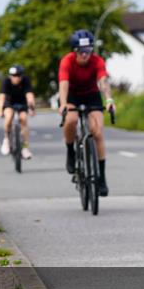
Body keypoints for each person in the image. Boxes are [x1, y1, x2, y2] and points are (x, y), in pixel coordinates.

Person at [58, 30, 116, 196]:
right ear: (74, 51)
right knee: (71, 120)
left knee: (97, 132)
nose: (85, 55)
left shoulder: (97, 61)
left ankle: (102, 178)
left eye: (88, 51)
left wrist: (109, 100)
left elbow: (103, 81)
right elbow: (63, 84)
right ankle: (70, 150)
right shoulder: (67, 61)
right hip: (72, 95)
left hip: (92, 95)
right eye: (81, 52)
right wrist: (63, 104)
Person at [0, 65, 36, 159]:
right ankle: (7, 139)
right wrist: (0, 110)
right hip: (9, 103)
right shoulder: (6, 81)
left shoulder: (25, 80)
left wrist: (32, 108)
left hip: (22, 102)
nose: (17, 78)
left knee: (23, 119)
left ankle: (25, 147)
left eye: (19, 75)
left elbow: (29, 95)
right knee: (9, 117)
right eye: (14, 75)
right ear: (10, 76)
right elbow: (2, 97)